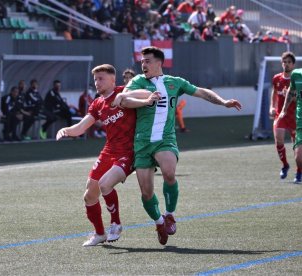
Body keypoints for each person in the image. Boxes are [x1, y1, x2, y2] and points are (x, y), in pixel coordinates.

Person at [114, 46, 242, 245]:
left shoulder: (174, 82)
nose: (143, 64)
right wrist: (146, 100)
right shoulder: (136, 82)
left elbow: (201, 92)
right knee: (146, 192)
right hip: (142, 142)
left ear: (159, 63)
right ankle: (159, 223)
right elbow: (123, 100)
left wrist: (223, 101)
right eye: (142, 61)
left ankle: (170, 214)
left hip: (165, 139)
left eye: (147, 61)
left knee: (169, 173)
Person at [56, 64, 160, 246]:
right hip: (108, 151)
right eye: (95, 79)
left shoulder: (123, 92)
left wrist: (145, 97)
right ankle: (99, 234)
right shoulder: (97, 103)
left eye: (101, 78)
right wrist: (66, 130)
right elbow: (81, 127)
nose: (97, 82)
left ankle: (116, 224)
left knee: (105, 184)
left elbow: (146, 94)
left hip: (128, 152)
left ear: (113, 79)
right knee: (89, 195)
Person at [269, 52, 299, 182]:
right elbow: (274, 92)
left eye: (289, 62)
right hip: (280, 114)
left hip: (295, 116)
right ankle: (285, 165)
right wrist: (272, 106)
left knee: (297, 147)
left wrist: (291, 95)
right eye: (284, 62)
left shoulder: (297, 79)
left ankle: (299, 172)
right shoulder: (277, 78)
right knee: (279, 139)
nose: (286, 64)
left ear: (293, 64)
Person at [279, 67, 302, 184]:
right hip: (300, 122)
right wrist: (284, 109)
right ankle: (299, 171)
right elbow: (291, 91)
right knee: (298, 157)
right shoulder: (296, 75)